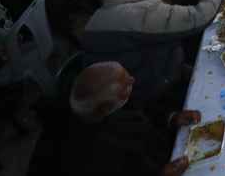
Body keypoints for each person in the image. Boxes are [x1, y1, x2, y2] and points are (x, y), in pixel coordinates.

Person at [82, 0, 225, 106]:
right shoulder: (140, 13)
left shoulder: (96, 19)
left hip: (155, 82)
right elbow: (201, 15)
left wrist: (180, 66)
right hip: (158, 98)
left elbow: (140, 55)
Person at [27, 61, 197, 176]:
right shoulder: (86, 161)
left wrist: (171, 117)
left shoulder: (95, 102)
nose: (133, 80)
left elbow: (142, 110)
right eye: (128, 84)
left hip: (168, 148)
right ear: (106, 106)